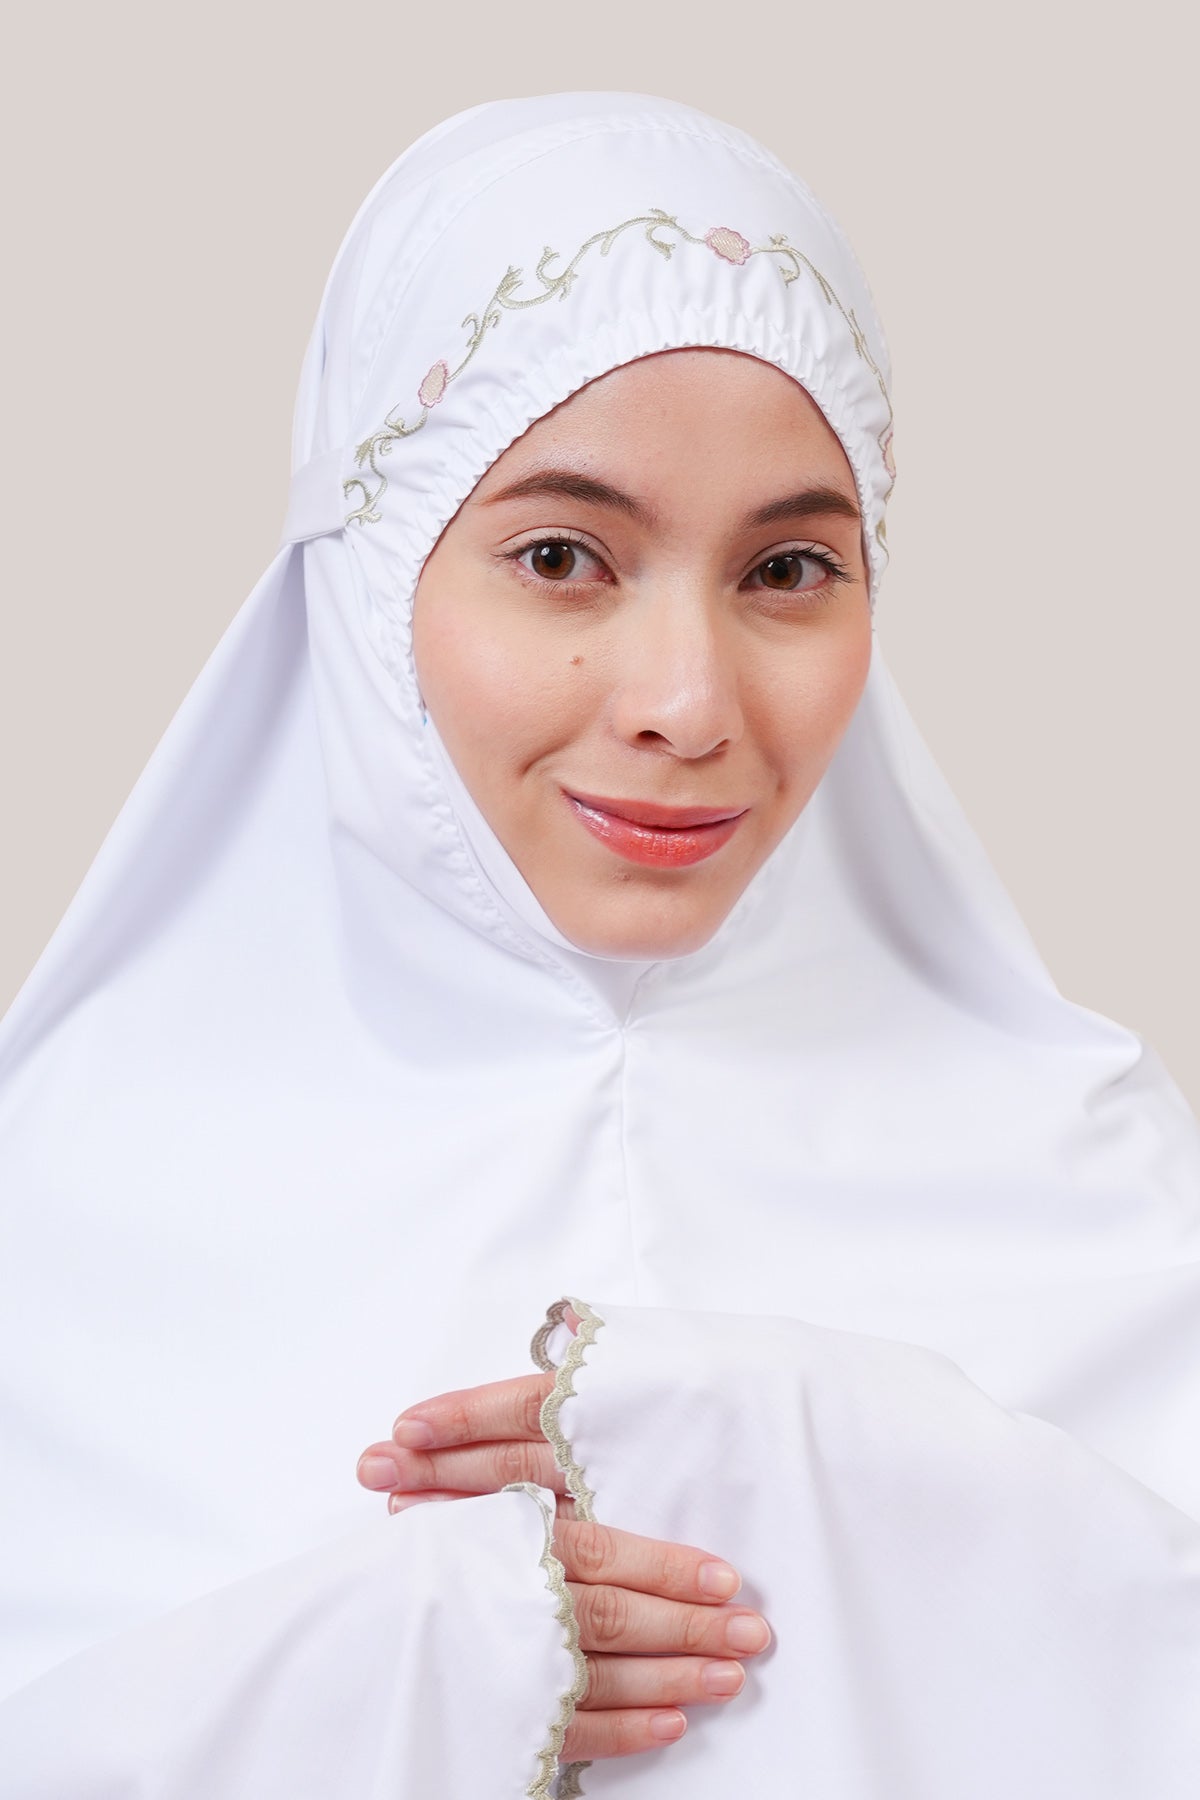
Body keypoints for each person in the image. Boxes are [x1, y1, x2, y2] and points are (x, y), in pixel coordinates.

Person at [0, 90, 1197, 1799]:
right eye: (562, 556)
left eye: (790, 568)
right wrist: (382, 1667)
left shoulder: (1097, 1188)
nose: (687, 704)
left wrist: (860, 1470)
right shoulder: (61, 1220)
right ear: (370, 578)